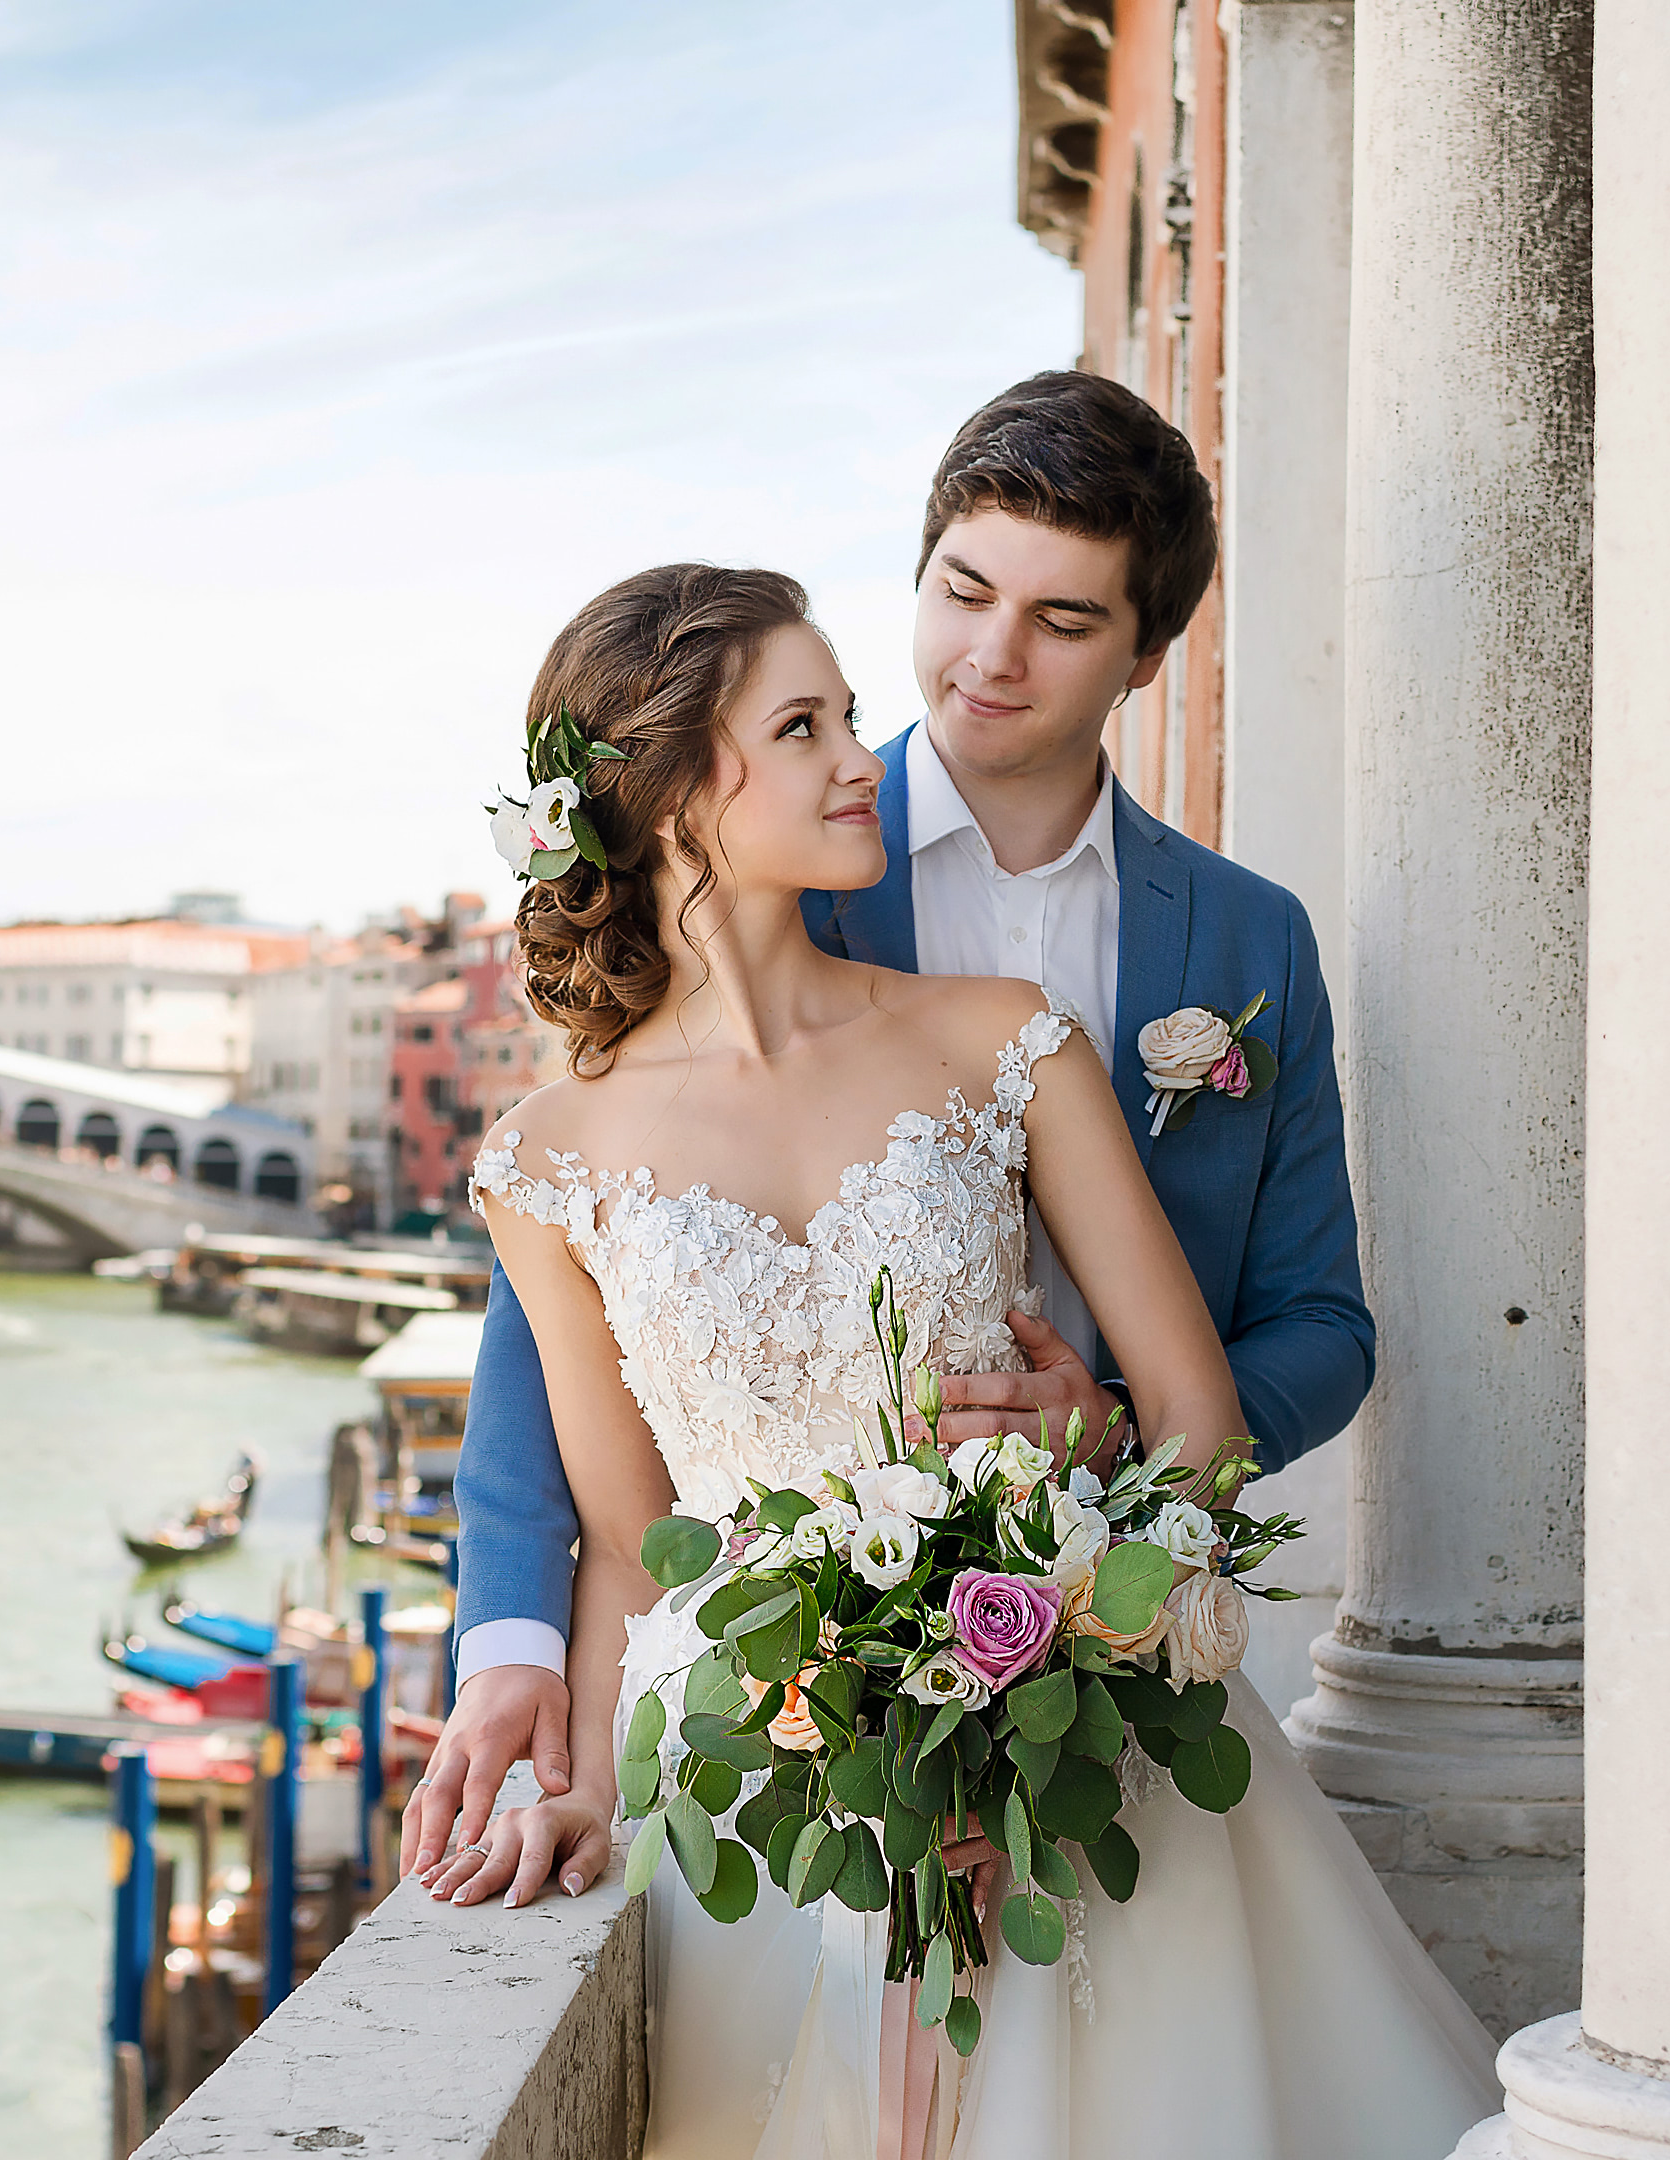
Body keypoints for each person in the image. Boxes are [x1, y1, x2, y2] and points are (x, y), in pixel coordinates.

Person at [409, 552, 1494, 2158]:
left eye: (845, 712)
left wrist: (1049, 1672)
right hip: (755, 1781)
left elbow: (1192, 1420)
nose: (863, 755)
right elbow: (641, 1545)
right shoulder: (546, 1162)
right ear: (674, 799)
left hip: (1075, 1754)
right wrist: (575, 1774)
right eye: (805, 727)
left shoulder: (1008, 1035)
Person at [411, 373, 1374, 1875]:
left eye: (1062, 621)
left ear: (1148, 654)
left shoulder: (1244, 944)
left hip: (1088, 1649)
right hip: (775, 1735)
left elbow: (1324, 1322)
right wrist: (524, 1671)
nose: (990, 657)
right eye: (963, 591)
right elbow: (581, 1381)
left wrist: (1112, 1454)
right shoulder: (788, 875)